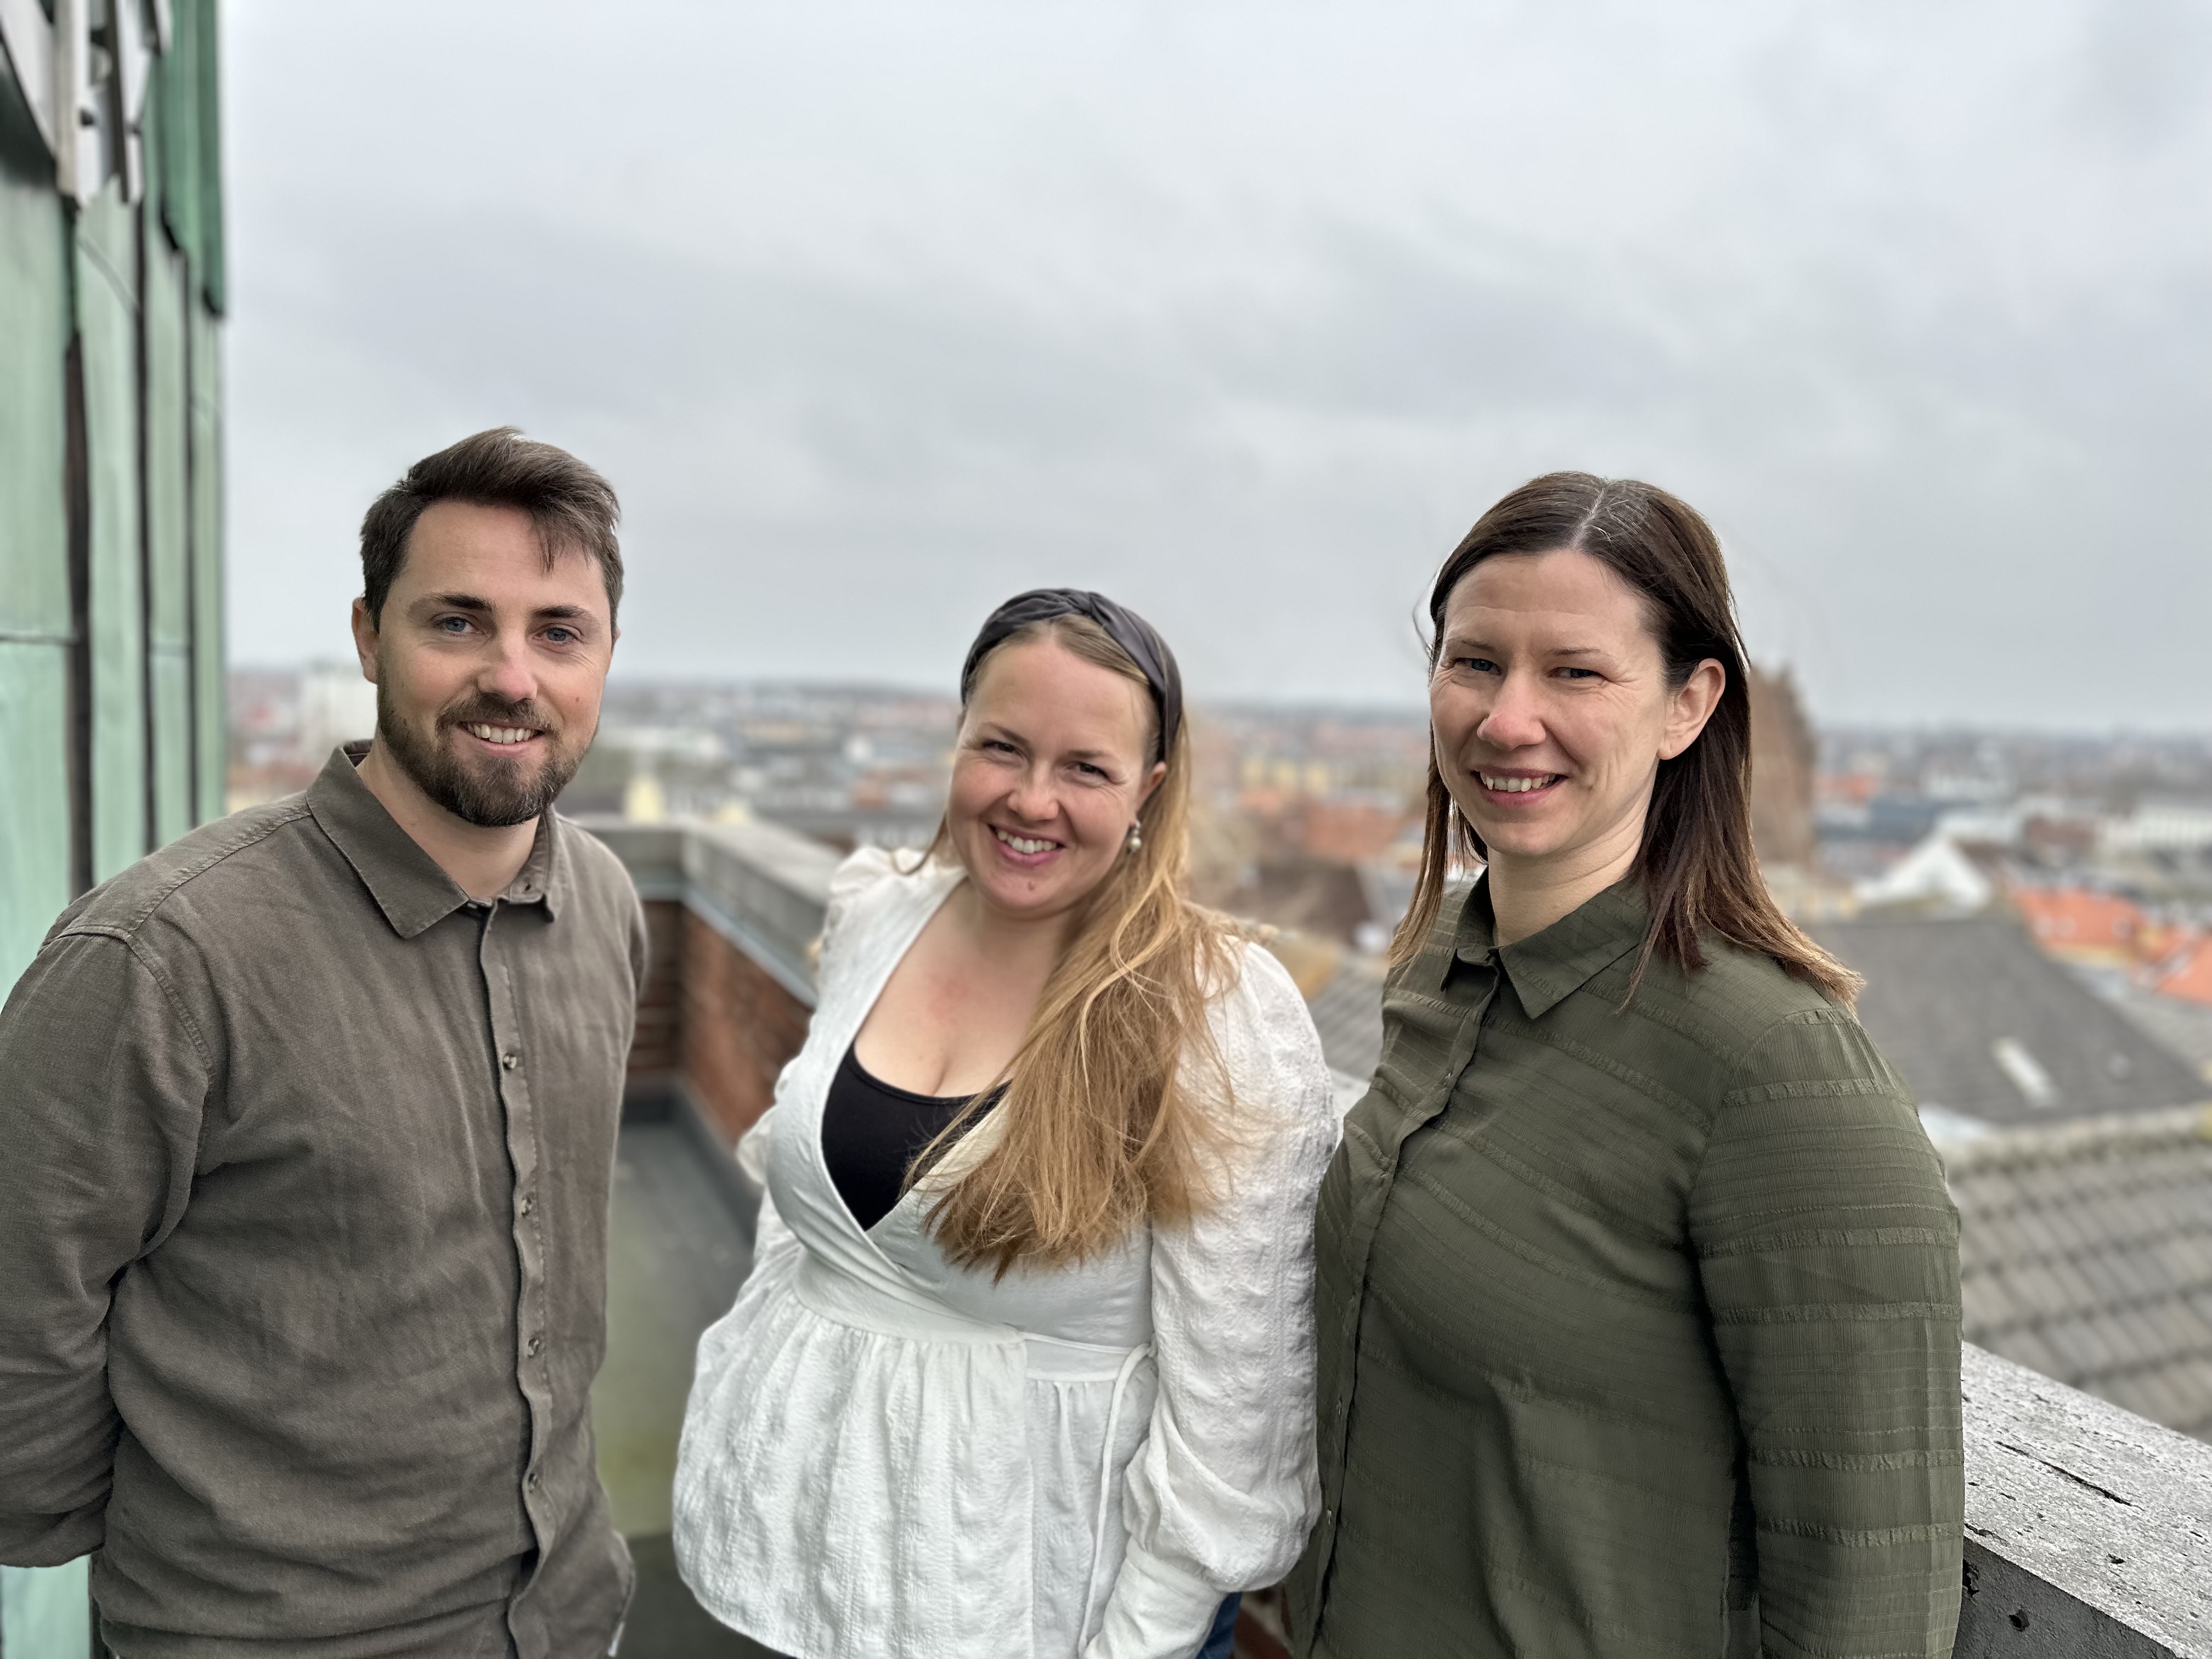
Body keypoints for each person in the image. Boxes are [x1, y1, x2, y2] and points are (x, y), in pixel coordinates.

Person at [1283, 475, 1963, 1659]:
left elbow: (1873, 1606)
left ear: (1688, 706)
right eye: (1476, 662)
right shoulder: (1442, 964)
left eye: (1576, 673)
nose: (1509, 720)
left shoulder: (1780, 1076)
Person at [0, 428, 645, 1657]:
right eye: (457, 622)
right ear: (367, 637)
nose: (512, 676)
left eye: (559, 631)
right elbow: (18, 1316)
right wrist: (195, 1547)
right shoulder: (164, 956)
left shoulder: (604, 907)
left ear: (606, 656)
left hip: (566, 1615)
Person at [674, 590, 1339, 1659]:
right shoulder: (879, 917)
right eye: (1003, 748)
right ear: (957, 740)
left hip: (1050, 1618)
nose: (1033, 799)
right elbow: (803, 1234)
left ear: (1148, 790)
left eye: (1086, 768)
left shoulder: (1210, 1013)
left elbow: (1233, 1435)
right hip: (808, 1575)